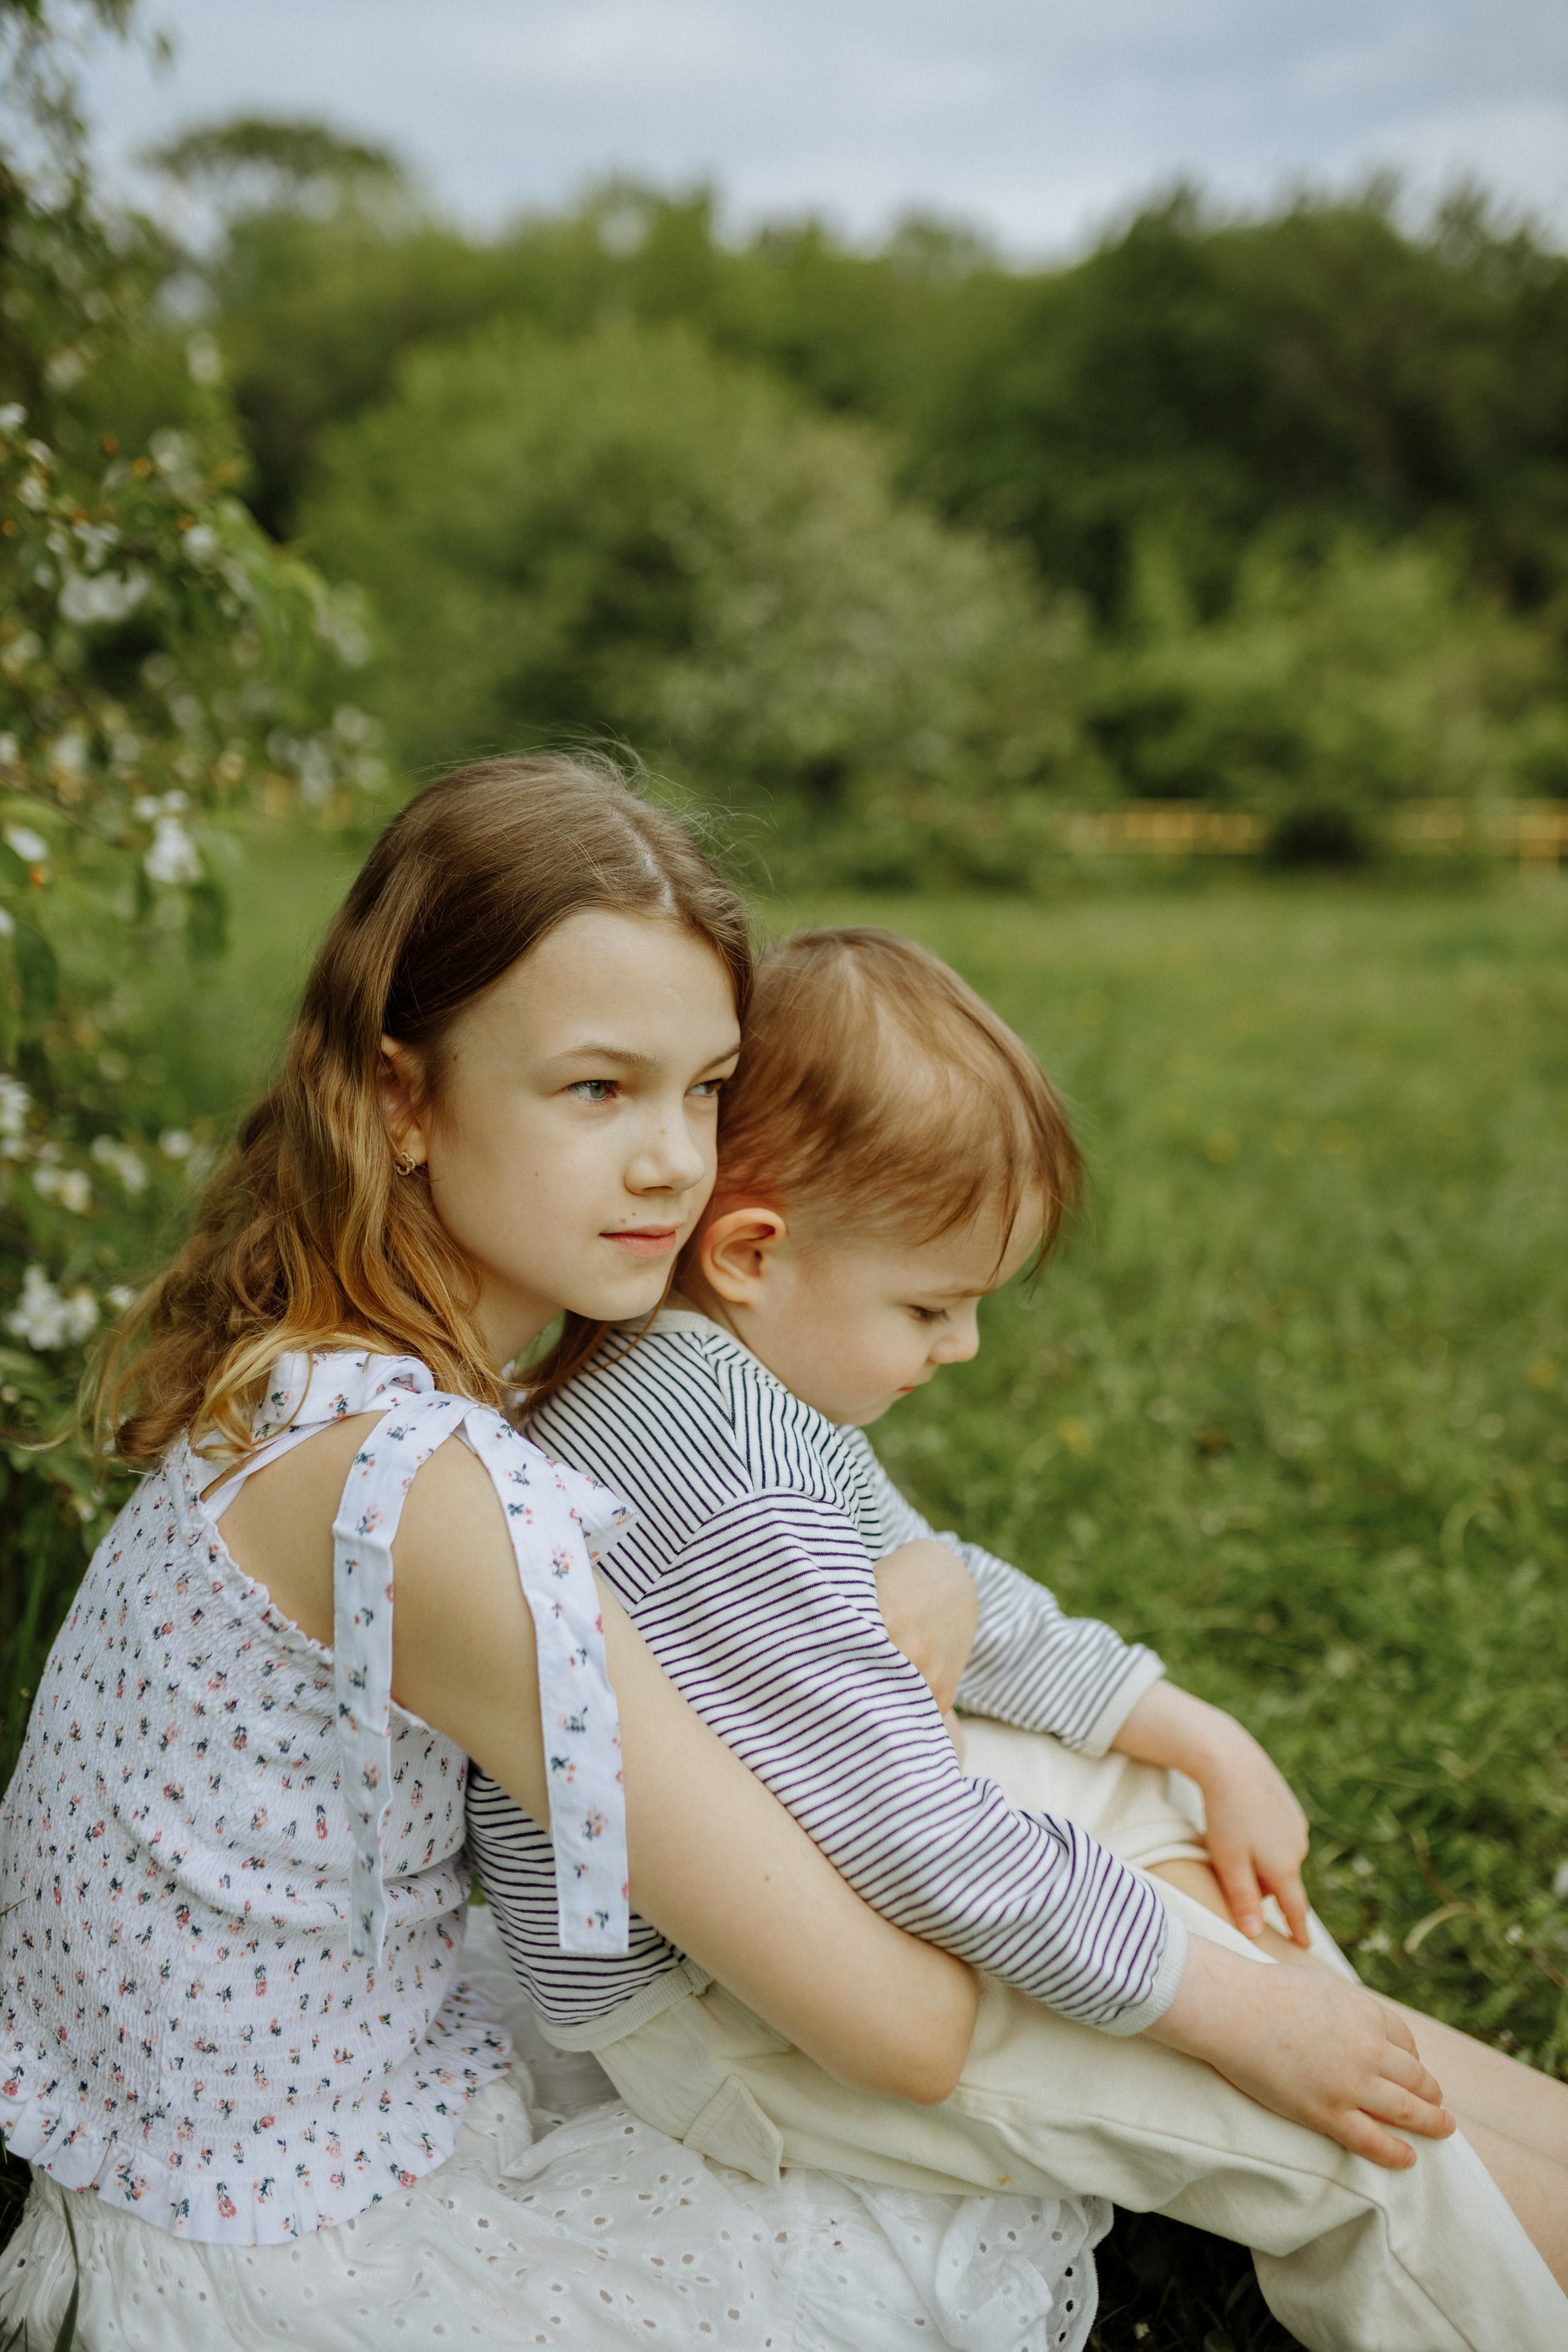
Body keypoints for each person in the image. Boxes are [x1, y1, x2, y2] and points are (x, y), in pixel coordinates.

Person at [0, 767, 1107, 2352]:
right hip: (296, 2235)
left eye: (707, 1090)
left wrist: (922, 1597)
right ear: (402, 1100)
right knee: (943, 2147)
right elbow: (907, 2033)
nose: (675, 1163)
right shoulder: (431, 1497)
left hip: (230, 2106)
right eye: (598, 1091)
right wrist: (909, 1730)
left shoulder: (339, 1357)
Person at [477, 924, 1568, 2352]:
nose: (964, 1347)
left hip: (831, 1869)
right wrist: (1224, 2019)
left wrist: (1190, 1730)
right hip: (738, 2014)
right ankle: (1400, 2184)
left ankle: (1415, 2087)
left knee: (1169, 1830)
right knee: (1316, 2131)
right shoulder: (731, 1489)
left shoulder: (701, 1372)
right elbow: (915, 1841)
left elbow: (944, 1584)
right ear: (753, 1253)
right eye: (931, 1306)